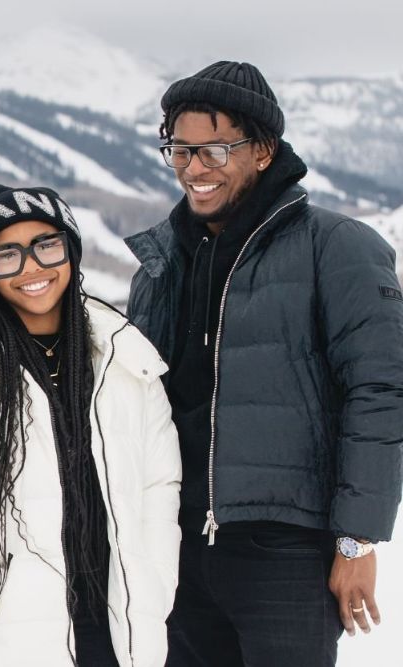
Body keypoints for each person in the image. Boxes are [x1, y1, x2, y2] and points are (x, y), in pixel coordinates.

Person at [125, 61, 403, 666]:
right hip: (176, 548)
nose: (194, 168)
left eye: (215, 149)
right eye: (179, 149)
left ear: (263, 150)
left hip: (287, 554)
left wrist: (357, 539)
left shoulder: (337, 246)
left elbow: (380, 391)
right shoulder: (159, 265)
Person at [0, 184, 181, 666]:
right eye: (7, 254)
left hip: (115, 632)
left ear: (71, 250)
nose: (32, 267)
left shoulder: (125, 363)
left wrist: (152, 586)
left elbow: (158, 486)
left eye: (47, 245)